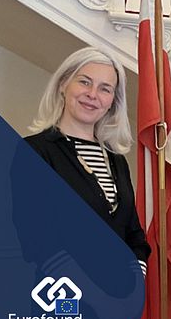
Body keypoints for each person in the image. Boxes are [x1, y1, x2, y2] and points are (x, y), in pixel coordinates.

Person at [25, 47, 150, 273]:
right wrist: (95, 295)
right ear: (63, 84)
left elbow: (133, 232)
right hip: (63, 294)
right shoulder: (35, 151)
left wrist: (134, 281)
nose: (93, 94)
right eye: (84, 82)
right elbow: (34, 237)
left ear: (112, 101)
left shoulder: (116, 160)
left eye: (105, 89)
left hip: (119, 297)